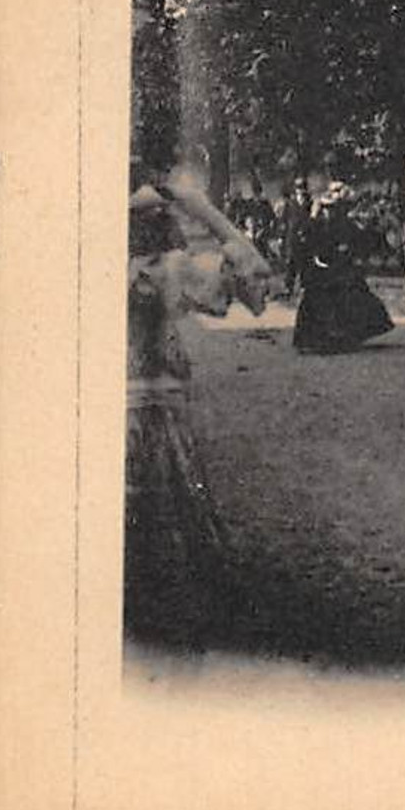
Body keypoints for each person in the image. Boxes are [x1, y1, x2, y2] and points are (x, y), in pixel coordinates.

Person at [126, 163, 274, 647]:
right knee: (178, 511)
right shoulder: (172, 271)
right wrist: (197, 204)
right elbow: (252, 275)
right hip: (158, 404)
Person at [292, 182, 394, 354]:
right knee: (318, 301)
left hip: (341, 267)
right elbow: (307, 240)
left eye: (332, 208)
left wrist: (347, 250)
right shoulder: (316, 222)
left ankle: (348, 335)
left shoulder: (343, 223)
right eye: (326, 208)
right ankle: (314, 338)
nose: (328, 211)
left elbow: (356, 240)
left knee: (352, 297)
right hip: (321, 267)